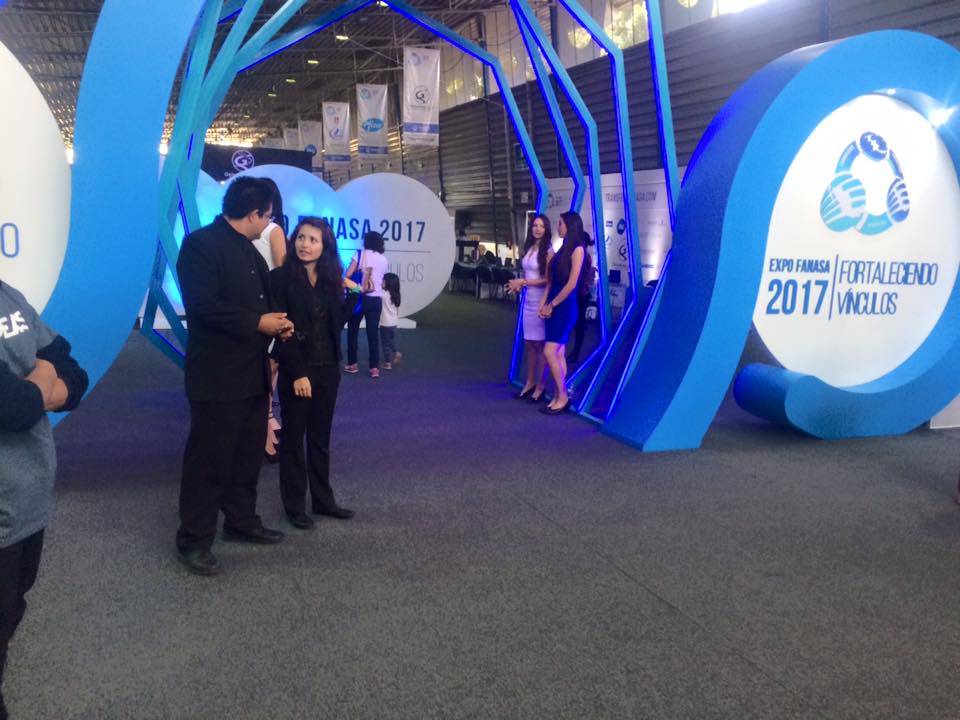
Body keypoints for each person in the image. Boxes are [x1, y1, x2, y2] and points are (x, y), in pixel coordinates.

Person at [175, 175, 293, 576]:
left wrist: (278, 323)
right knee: (209, 460)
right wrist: (258, 322)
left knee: (245, 456)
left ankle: (241, 521)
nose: (270, 224)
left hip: (252, 373)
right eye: (269, 216)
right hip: (217, 375)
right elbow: (203, 307)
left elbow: (262, 301)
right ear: (254, 213)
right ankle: (193, 540)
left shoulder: (249, 250)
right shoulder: (200, 246)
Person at [0, 280, 88, 720]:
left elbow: (72, 368)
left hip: (28, 502)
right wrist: (43, 379)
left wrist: (41, 385)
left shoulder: (8, 297)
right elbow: (13, 407)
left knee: (11, 611)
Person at [271, 218, 358, 528]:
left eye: (313, 240)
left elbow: (335, 324)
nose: (305, 244)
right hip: (298, 369)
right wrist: (297, 373)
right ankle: (294, 507)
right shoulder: (280, 278)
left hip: (328, 370)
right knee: (294, 439)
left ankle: (323, 501)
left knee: (320, 439)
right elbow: (282, 330)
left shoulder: (330, 280)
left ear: (325, 247)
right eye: (301, 237)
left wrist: (355, 294)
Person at [251, 178, 287, 463]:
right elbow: (284, 273)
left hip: (257, 309)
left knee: (268, 370)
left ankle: (269, 423)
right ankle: (264, 431)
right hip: (272, 310)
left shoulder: (251, 231)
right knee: (268, 371)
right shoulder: (273, 230)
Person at [538, 211, 586, 415]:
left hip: (565, 307)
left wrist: (552, 304)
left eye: (560, 224)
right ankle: (559, 394)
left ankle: (563, 397)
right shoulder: (563, 248)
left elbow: (571, 284)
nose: (558, 227)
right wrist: (545, 303)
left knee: (550, 351)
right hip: (554, 304)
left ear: (570, 226)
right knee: (558, 353)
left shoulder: (578, 249)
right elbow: (552, 280)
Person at [505, 214, 553, 403]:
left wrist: (524, 282)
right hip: (527, 300)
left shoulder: (548, 251)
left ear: (546, 229)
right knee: (530, 345)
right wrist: (520, 284)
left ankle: (540, 387)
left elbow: (548, 280)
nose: (537, 229)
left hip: (540, 300)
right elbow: (527, 273)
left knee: (540, 346)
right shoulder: (530, 247)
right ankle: (530, 382)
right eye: (535, 225)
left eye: (541, 226)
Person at [344, 231, 388, 378]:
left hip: (359, 299)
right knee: (373, 334)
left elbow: (347, 276)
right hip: (375, 300)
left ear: (366, 241)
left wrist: (358, 288)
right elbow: (381, 281)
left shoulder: (359, 254)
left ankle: (352, 364)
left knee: (353, 331)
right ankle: (374, 368)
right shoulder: (383, 259)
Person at [567, 232, 596, 364]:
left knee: (579, 325)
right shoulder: (582, 255)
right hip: (577, 293)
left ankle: (576, 353)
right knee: (577, 324)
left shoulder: (584, 257)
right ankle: (574, 352)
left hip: (580, 294)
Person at [380, 272, 403, 370]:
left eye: (383, 281)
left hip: (385, 323)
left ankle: (387, 363)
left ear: (388, 283)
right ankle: (396, 352)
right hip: (393, 323)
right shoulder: (396, 295)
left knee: (385, 343)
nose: (381, 282)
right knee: (391, 340)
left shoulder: (383, 295)